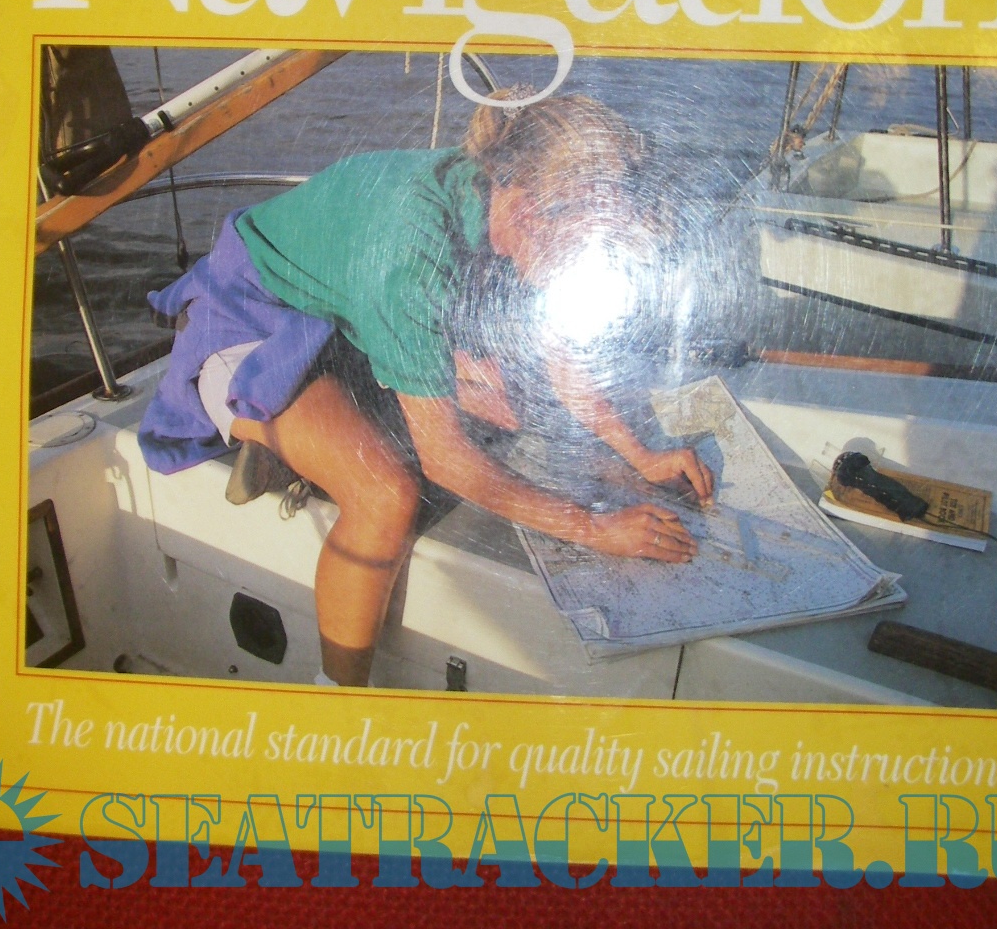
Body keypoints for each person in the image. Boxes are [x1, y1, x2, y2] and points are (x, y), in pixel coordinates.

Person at [139, 91, 713, 688]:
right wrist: (597, 530)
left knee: (507, 400)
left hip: (338, 316)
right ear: (527, 210)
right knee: (385, 495)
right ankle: (337, 701)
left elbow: (558, 354)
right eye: (590, 243)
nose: (595, 257)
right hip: (245, 320)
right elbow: (447, 462)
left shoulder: (495, 193)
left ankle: (305, 436)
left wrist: (639, 455)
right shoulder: (413, 257)